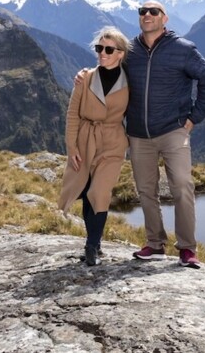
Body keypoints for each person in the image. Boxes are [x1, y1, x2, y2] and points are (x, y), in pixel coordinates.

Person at [79, 1, 205, 268]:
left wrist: (193, 119)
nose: (147, 15)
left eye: (154, 12)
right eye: (142, 11)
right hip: (139, 134)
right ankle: (155, 244)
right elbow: (108, 67)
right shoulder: (130, 50)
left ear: (164, 18)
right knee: (146, 191)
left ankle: (187, 249)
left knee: (182, 187)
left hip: (173, 130)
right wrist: (84, 75)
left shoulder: (183, 50)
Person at [59, 26, 131, 266]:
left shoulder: (130, 80)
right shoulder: (85, 78)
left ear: (120, 53)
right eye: (99, 48)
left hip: (113, 142)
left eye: (109, 49)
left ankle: (91, 247)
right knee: (87, 191)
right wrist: (72, 148)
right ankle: (95, 243)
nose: (102, 53)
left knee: (99, 191)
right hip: (85, 139)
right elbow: (72, 115)